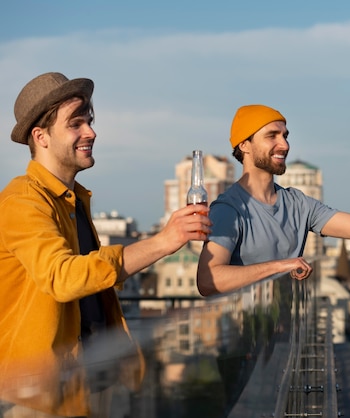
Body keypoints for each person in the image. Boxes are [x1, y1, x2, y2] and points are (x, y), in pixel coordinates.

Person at [0, 72, 212, 418]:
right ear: (41, 137)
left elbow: (97, 280)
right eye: (76, 124)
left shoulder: (73, 200)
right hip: (39, 399)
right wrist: (164, 241)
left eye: (90, 121)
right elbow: (64, 278)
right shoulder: (23, 201)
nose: (91, 132)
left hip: (87, 386)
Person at [196, 104, 350, 296]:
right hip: (245, 346)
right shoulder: (229, 209)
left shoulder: (297, 203)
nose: (284, 145)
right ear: (245, 145)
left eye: (285, 136)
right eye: (272, 136)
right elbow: (207, 280)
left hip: (290, 344)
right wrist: (282, 265)